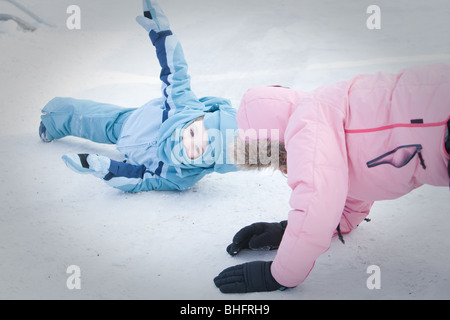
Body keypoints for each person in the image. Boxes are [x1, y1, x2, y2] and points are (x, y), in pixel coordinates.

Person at [214, 64, 450, 293]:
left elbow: (317, 203)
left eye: (276, 159)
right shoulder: (335, 114)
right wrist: (287, 232)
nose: (284, 169)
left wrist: (279, 273)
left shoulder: (307, 121)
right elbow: (342, 202)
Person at [39, 0, 237, 193]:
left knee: (99, 127)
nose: (185, 141)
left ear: (209, 164)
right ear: (197, 119)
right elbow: (175, 71)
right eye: (193, 133)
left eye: (197, 150)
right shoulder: (183, 108)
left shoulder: (177, 177)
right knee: (88, 118)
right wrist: (162, 34)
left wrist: (102, 167)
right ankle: (52, 121)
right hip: (129, 122)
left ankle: (54, 121)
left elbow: (140, 179)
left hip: (131, 153)